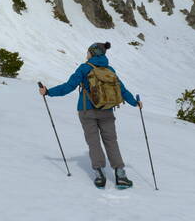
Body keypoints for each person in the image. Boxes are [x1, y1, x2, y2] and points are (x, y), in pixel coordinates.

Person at [39, 42, 142, 189]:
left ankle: (100, 174)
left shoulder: (84, 68)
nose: (86, 54)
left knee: (93, 142)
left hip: (87, 111)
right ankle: (120, 174)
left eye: (88, 52)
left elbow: (68, 87)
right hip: (107, 111)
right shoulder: (110, 69)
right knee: (111, 141)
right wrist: (135, 103)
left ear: (92, 53)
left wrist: (48, 92)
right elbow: (122, 90)